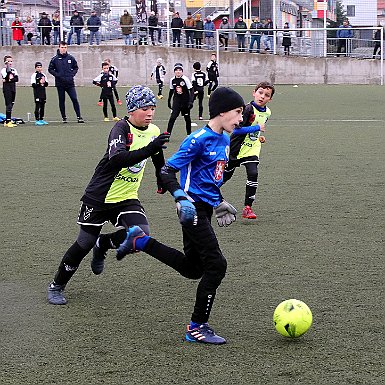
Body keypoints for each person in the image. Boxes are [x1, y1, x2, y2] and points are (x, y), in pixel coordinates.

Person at [115, 86, 245, 345]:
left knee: (193, 268)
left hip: (204, 209)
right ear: (222, 111)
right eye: (238, 112)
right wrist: (180, 197)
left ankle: (140, 241)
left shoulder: (224, 139)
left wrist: (218, 202)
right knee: (217, 266)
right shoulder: (196, 140)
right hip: (191, 209)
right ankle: (197, 326)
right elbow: (166, 171)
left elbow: (208, 180)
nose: (241, 118)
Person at [47, 85, 171, 306]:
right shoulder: (120, 128)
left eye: (152, 107)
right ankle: (57, 285)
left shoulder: (153, 130)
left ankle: (103, 244)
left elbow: (156, 156)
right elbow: (117, 159)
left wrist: (161, 178)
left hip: (126, 196)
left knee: (140, 233)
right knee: (83, 243)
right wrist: (151, 148)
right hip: (100, 196)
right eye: (145, 107)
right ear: (132, 109)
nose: (150, 112)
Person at [223, 81, 274, 219]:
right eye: (260, 93)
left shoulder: (267, 112)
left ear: (270, 99)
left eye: (267, 95)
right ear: (254, 92)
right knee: (225, 176)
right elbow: (236, 130)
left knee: (253, 173)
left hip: (252, 149)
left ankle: (248, 207)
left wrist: (259, 137)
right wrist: (257, 129)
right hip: (237, 148)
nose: (262, 96)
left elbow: (256, 129)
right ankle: (204, 194)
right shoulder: (247, 109)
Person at [48, 41, 84, 123]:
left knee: (74, 99)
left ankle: (79, 117)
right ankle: (64, 117)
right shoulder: (55, 59)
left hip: (70, 83)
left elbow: (75, 67)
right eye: (62, 47)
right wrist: (57, 75)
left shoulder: (70, 58)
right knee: (62, 100)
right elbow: (50, 69)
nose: (63, 49)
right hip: (60, 83)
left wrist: (72, 74)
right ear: (59, 48)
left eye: (65, 47)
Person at [167, 62, 194, 137]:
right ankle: (167, 135)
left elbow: (191, 90)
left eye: (179, 70)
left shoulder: (185, 79)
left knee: (187, 118)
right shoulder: (172, 80)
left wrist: (191, 102)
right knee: (172, 118)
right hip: (177, 102)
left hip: (185, 102)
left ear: (182, 71)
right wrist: (169, 101)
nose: (178, 71)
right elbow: (171, 91)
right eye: (176, 70)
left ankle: (189, 134)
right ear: (174, 71)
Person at [1, 55, 19, 127]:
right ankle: (8, 121)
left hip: (13, 88)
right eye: (8, 61)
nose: (10, 63)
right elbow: (6, 77)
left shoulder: (14, 70)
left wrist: (10, 79)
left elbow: (16, 79)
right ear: (5, 62)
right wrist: (9, 79)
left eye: (11, 61)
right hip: (7, 88)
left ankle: (8, 120)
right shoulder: (3, 70)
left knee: (11, 104)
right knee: (8, 104)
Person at [31, 61, 48, 126]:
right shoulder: (34, 75)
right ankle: (37, 119)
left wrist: (44, 82)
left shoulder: (43, 75)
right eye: (38, 67)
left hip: (43, 93)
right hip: (37, 93)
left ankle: (41, 119)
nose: (39, 68)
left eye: (40, 67)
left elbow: (46, 84)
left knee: (42, 106)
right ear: (35, 68)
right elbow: (33, 85)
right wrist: (39, 82)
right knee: (37, 106)